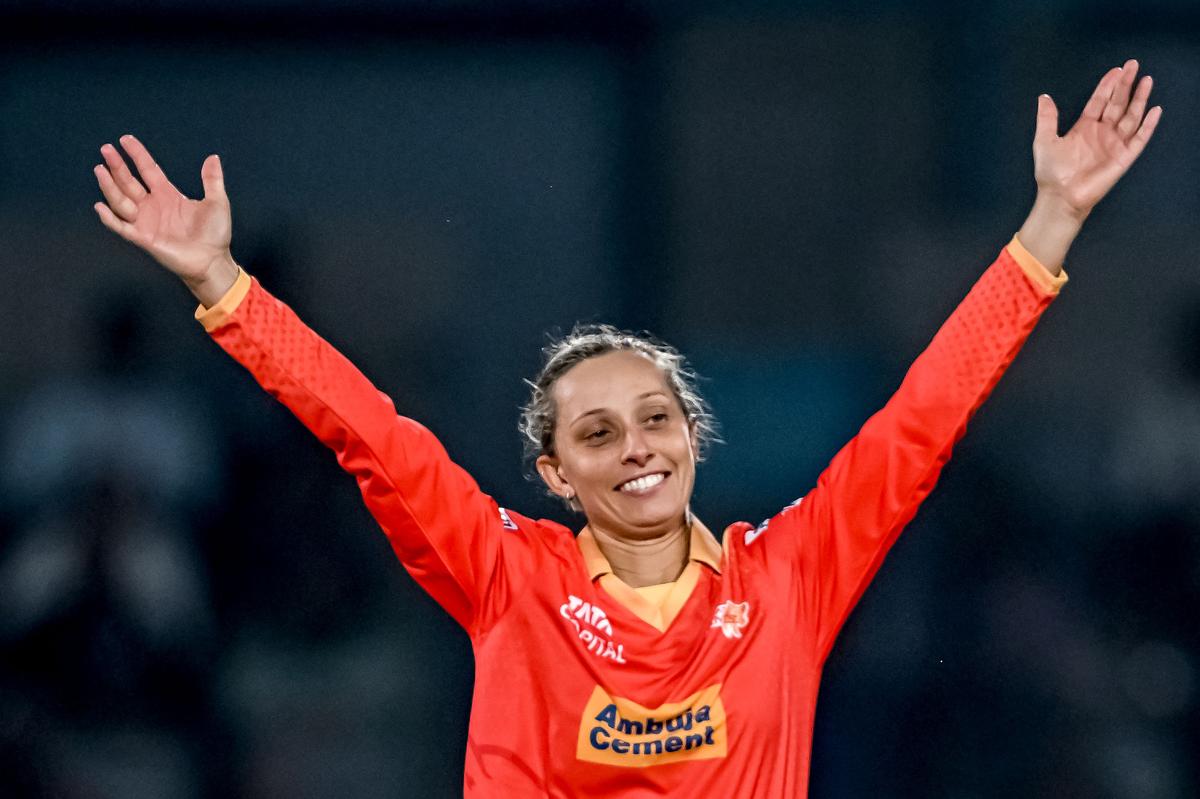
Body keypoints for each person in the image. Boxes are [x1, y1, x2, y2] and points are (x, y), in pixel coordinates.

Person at [92, 61, 1160, 797]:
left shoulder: (786, 579)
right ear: (555, 472)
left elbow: (923, 419)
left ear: (694, 436)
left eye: (655, 417)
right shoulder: (509, 578)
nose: (637, 444)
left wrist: (1052, 220)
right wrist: (225, 285)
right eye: (598, 433)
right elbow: (368, 429)